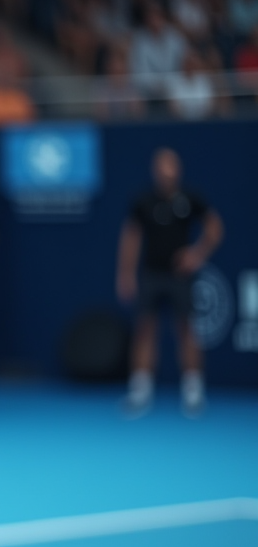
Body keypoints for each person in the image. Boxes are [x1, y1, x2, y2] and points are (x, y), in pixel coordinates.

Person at [116, 148, 225, 416]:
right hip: (151, 274)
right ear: (155, 171)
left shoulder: (190, 199)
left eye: (171, 166)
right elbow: (131, 237)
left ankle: (193, 391)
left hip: (180, 276)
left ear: (178, 170)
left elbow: (215, 227)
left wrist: (197, 254)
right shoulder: (143, 201)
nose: (167, 172)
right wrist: (126, 273)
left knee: (186, 330)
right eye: (162, 167)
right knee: (145, 330)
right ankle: (140, 390)